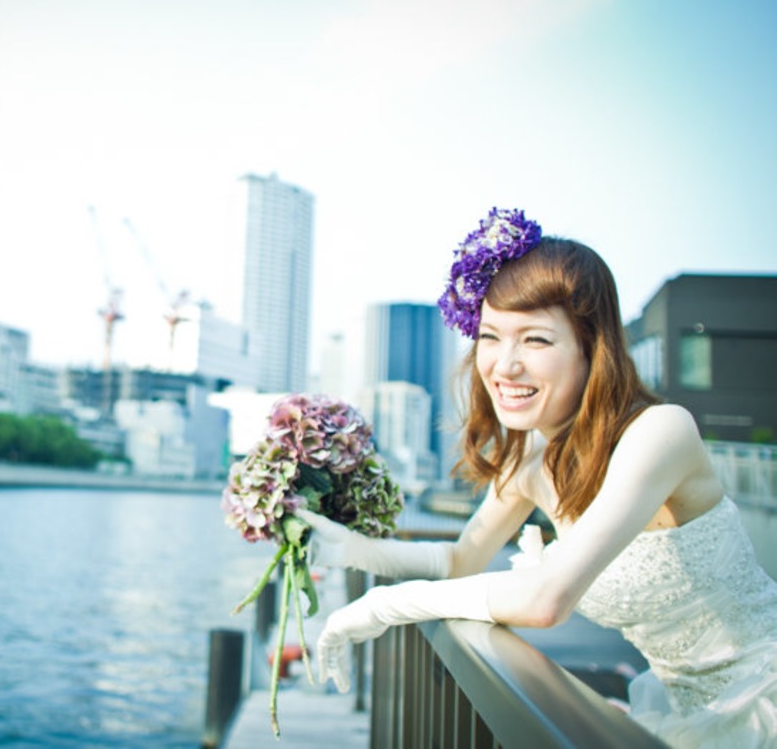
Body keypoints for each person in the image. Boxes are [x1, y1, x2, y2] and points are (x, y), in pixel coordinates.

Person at [298, 208, 777, 748]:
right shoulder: (530, 460)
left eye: (536, 341)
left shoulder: (660, 432)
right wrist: (349, 549)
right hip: (692, 712)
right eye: (490, 336)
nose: (504, 366)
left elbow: (546, 600)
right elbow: (460, 560)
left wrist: (382, 606)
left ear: (592, 350)